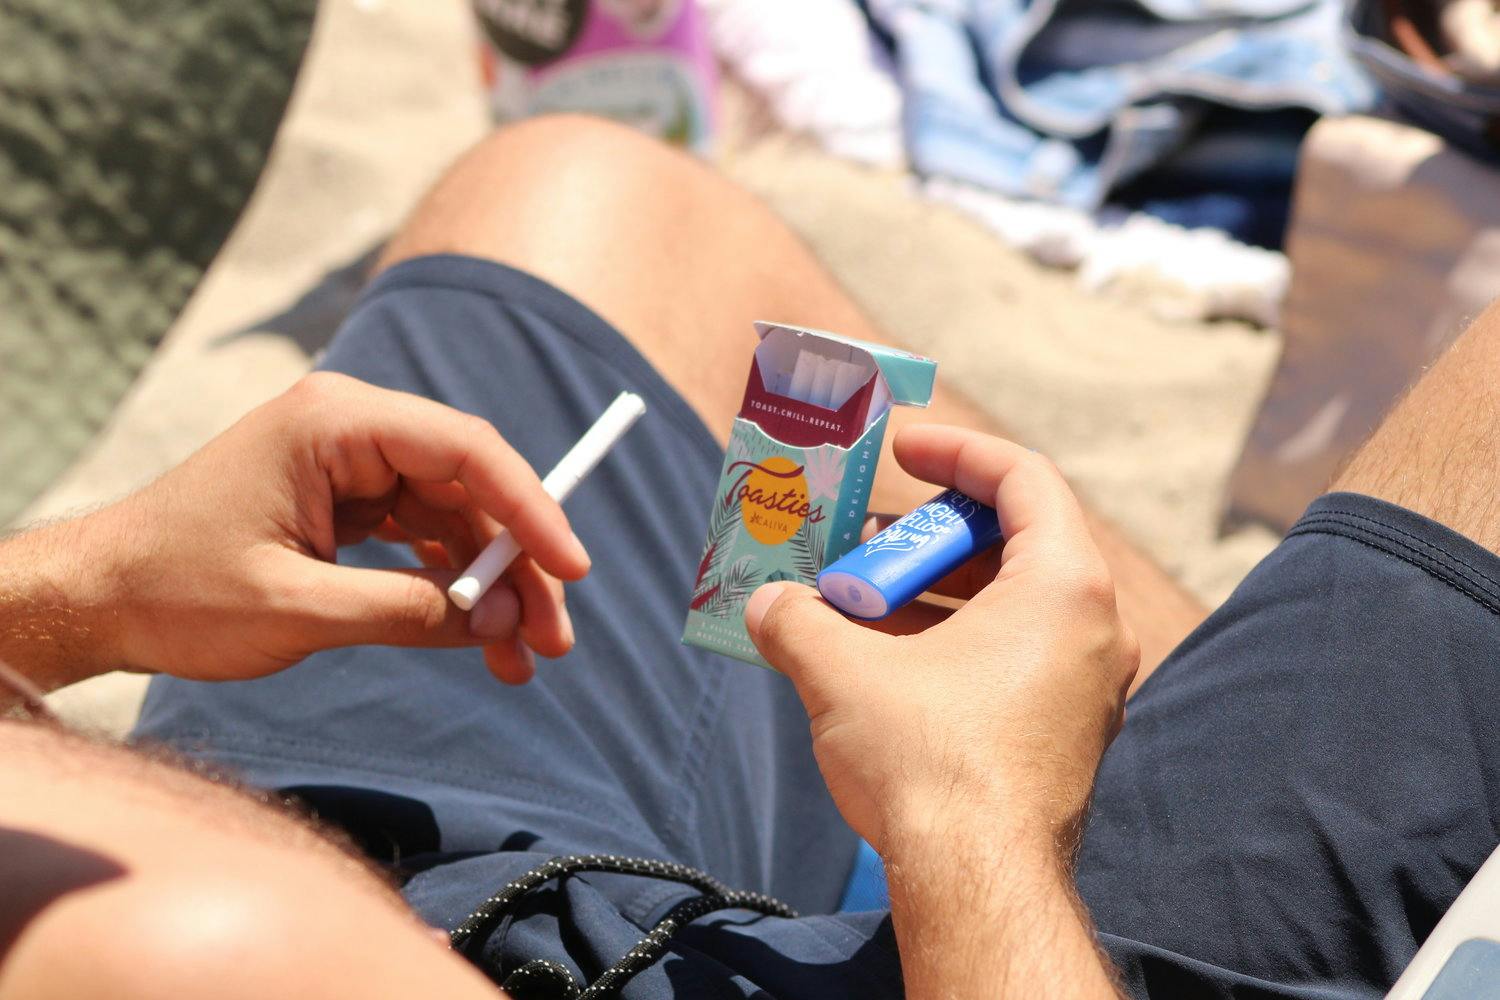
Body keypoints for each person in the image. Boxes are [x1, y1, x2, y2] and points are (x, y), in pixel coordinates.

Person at [1, 114, 1496, 999]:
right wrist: (975, 825)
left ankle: (1166, 710)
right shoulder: (195, 950)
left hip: (405, 862)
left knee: (587, 193)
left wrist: (81, 591)